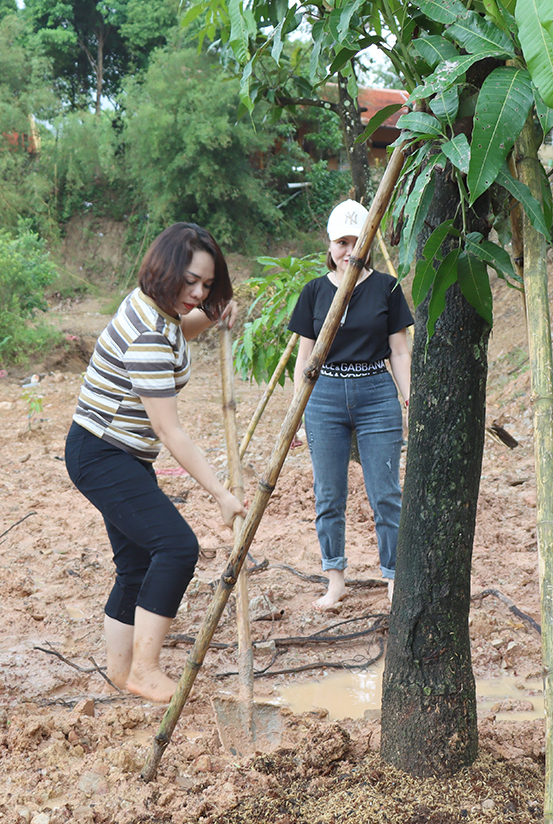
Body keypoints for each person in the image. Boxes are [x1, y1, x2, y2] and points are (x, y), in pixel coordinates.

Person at [65, 222, 246, 704]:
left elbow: (181, 329)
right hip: (102, 452)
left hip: (119, 453)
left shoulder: (157, 310)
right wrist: (222, 494)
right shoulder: (146, 331)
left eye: (207, 284)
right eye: (190, 281)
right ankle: (144, 668)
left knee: (136, 565)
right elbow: (170, 431)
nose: (198, 292)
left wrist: (210, 314)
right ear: (165, 269)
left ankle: (123, 672)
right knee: (177, 547)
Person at [288, 199, 413, 609]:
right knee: (328, 493)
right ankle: (335, 579)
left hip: (376, 392)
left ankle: (394, 578)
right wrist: (297, 415)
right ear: (329, 244)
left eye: (357, 242)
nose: (349, 251)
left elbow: (399, 351)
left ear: (369, 244)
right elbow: (304, 359)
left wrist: (409, 395)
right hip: (324, 396)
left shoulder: (386, 288)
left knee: (386, 491)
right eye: (342, 242)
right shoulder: (314, 292)